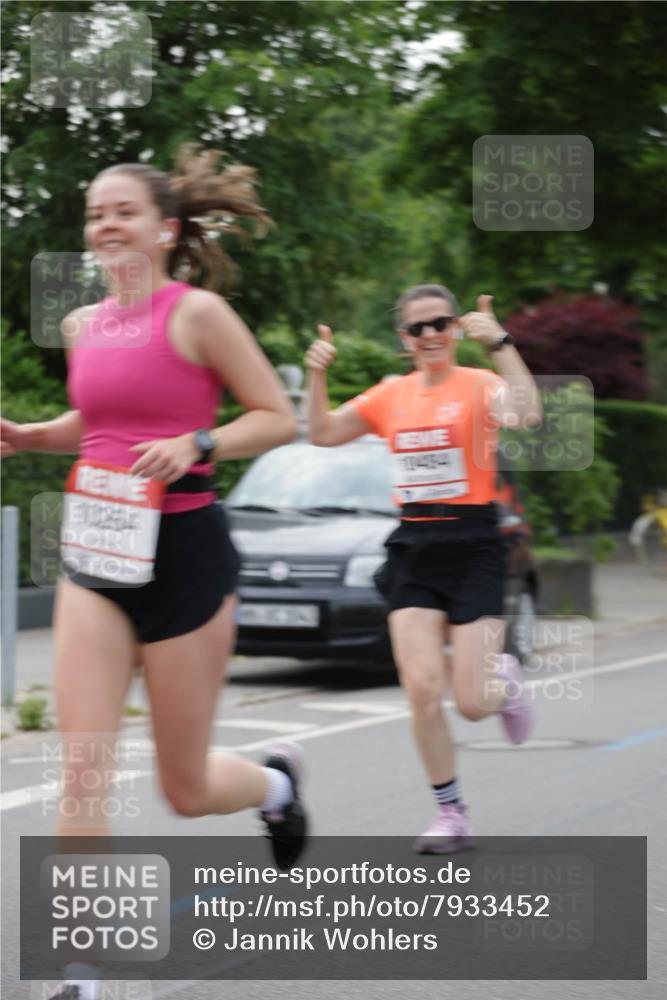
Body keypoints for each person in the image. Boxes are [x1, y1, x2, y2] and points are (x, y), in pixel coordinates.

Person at [1, 146, 308, 999]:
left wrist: (197, 442)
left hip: (185, 557)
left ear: (166, 229)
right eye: (95, 214)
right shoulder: (82, 325)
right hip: (98, 555)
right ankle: (80, 972)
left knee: (186, 787)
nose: (105, 225)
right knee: (82, 766)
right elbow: (100, 421)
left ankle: (276, 785)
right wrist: (33, 435)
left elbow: (274, 418)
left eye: (123, 211)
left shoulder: (199, 313)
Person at [305, 284, 542, 854]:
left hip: (474, 544)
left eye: (440, 323)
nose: (430, 334)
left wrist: (501, 344)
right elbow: (323, 432)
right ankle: (451, 812)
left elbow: (529, 414)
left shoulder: (480, 384)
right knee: (420, 689)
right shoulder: (392, 394)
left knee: (473, 703)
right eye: (418, 328)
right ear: (404, 338)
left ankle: (502, 679)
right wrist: (316, 376)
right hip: (414, 545)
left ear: (456, 328)